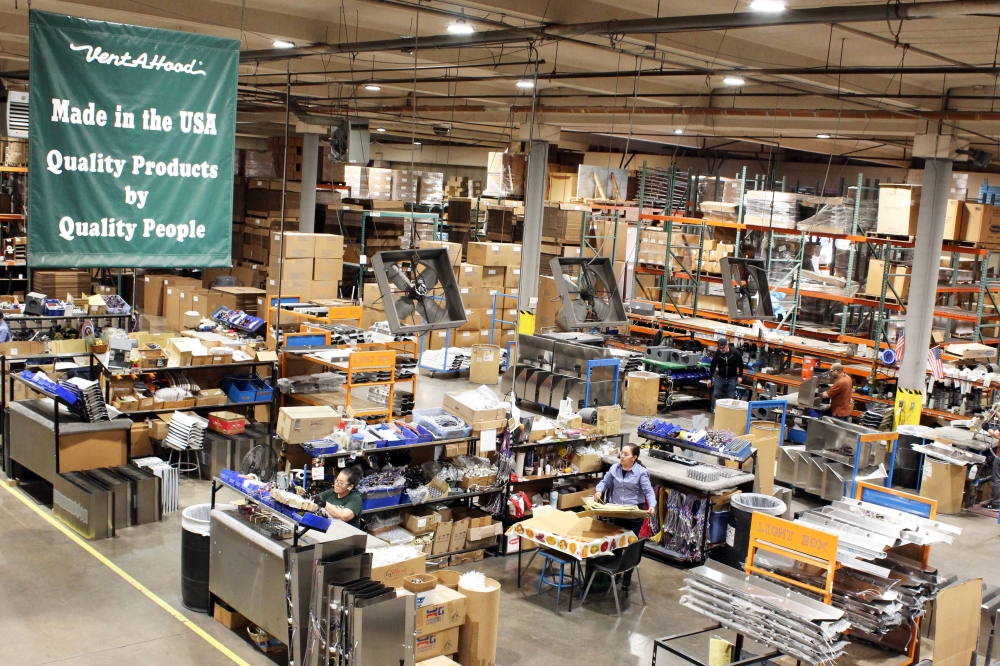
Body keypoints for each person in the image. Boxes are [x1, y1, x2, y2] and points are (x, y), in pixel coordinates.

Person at [593, 444, 656, 591]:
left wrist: (652, 506)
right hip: (617, 511)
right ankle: (615, 573)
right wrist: (599, 491)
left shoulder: (641, 472)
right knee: (617, 543)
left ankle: (627, 576)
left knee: (630, 544)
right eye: (621, 453)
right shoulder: (614, 468)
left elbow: (649, 492)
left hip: (633, 513)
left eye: (626, 454)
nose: (622, 456)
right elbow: (604, 482)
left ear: (634, 458)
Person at [709, 338, 743, 411]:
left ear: (727, 345)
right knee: (716, 394)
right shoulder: (717, 354)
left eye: (723, 347)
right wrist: (710, 378)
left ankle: (728, 412)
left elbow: (741, 364)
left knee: (730, 397)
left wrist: (740, 376)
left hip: (732, 377)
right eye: (720, 348)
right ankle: (714, 410)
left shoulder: (735, 352)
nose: (721, 350)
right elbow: (713, 366)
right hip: (721, 376)